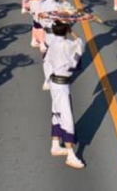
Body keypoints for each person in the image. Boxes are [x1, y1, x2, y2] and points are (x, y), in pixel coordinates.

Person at [44, 20, 85, 169]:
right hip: (62, 85)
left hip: (54, 82)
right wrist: (72, 31)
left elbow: (46, 61)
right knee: (67, 117)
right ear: (66, 30)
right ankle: (70, 155)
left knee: (56, 112)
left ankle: (55, 144)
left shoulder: (53, 43)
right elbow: (80, 44)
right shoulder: (67, 45)